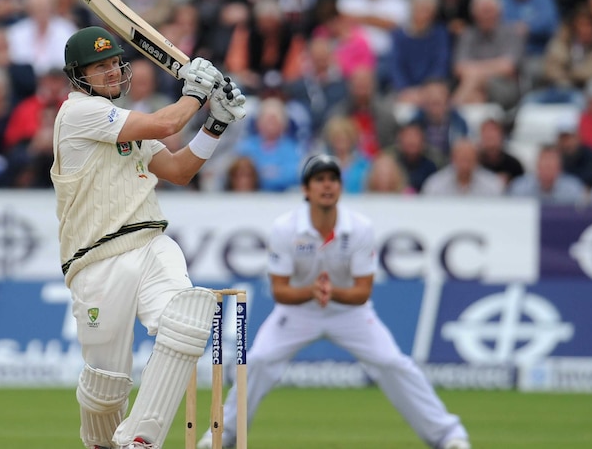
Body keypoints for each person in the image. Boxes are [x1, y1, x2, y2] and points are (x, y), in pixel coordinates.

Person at [51, 26, 246, 449]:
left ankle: (141, 440)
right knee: (107, 392)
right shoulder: (78, 113)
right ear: (78, 77)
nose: (111, 73)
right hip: (96, 259)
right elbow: (166, 122)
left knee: (188, 320)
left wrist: (216, 122)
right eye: (99, 67)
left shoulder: (125, 125)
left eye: (113, 64)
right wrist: (195, 93)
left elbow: (179, 170)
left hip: (151, 243)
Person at [197, 155, 471, 449]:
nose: (327, 185)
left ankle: (447, 435)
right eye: (319, 180)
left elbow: (362, 292)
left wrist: (332, 293)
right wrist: (312, 292)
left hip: (348, 312)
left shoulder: (359, 227)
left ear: (340, 187)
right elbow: (280, 291)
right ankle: (223, 436)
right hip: (298, 310)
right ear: (306, 189)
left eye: (332, 179)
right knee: (259, 361)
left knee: (393, 363)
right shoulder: (286, 228)